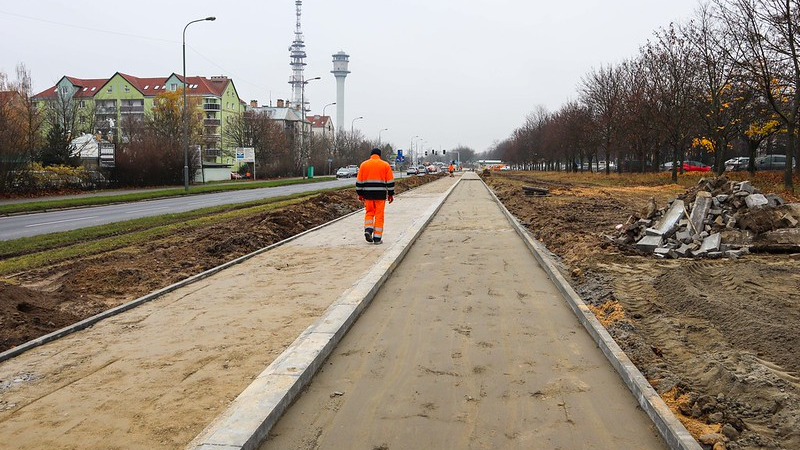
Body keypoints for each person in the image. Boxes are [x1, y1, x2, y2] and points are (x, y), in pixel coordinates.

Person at [356, 148, 395, 245]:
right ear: (379, 155)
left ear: (371, 155)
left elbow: (359, 182)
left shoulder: (364, 165)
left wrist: (360, 194)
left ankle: (368, 230)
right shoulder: (385, 165)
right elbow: (390, 182)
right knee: (379, 215)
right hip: (380, 195)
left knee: (369, 213)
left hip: (368, 194)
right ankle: (377, 238)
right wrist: (390, 194)